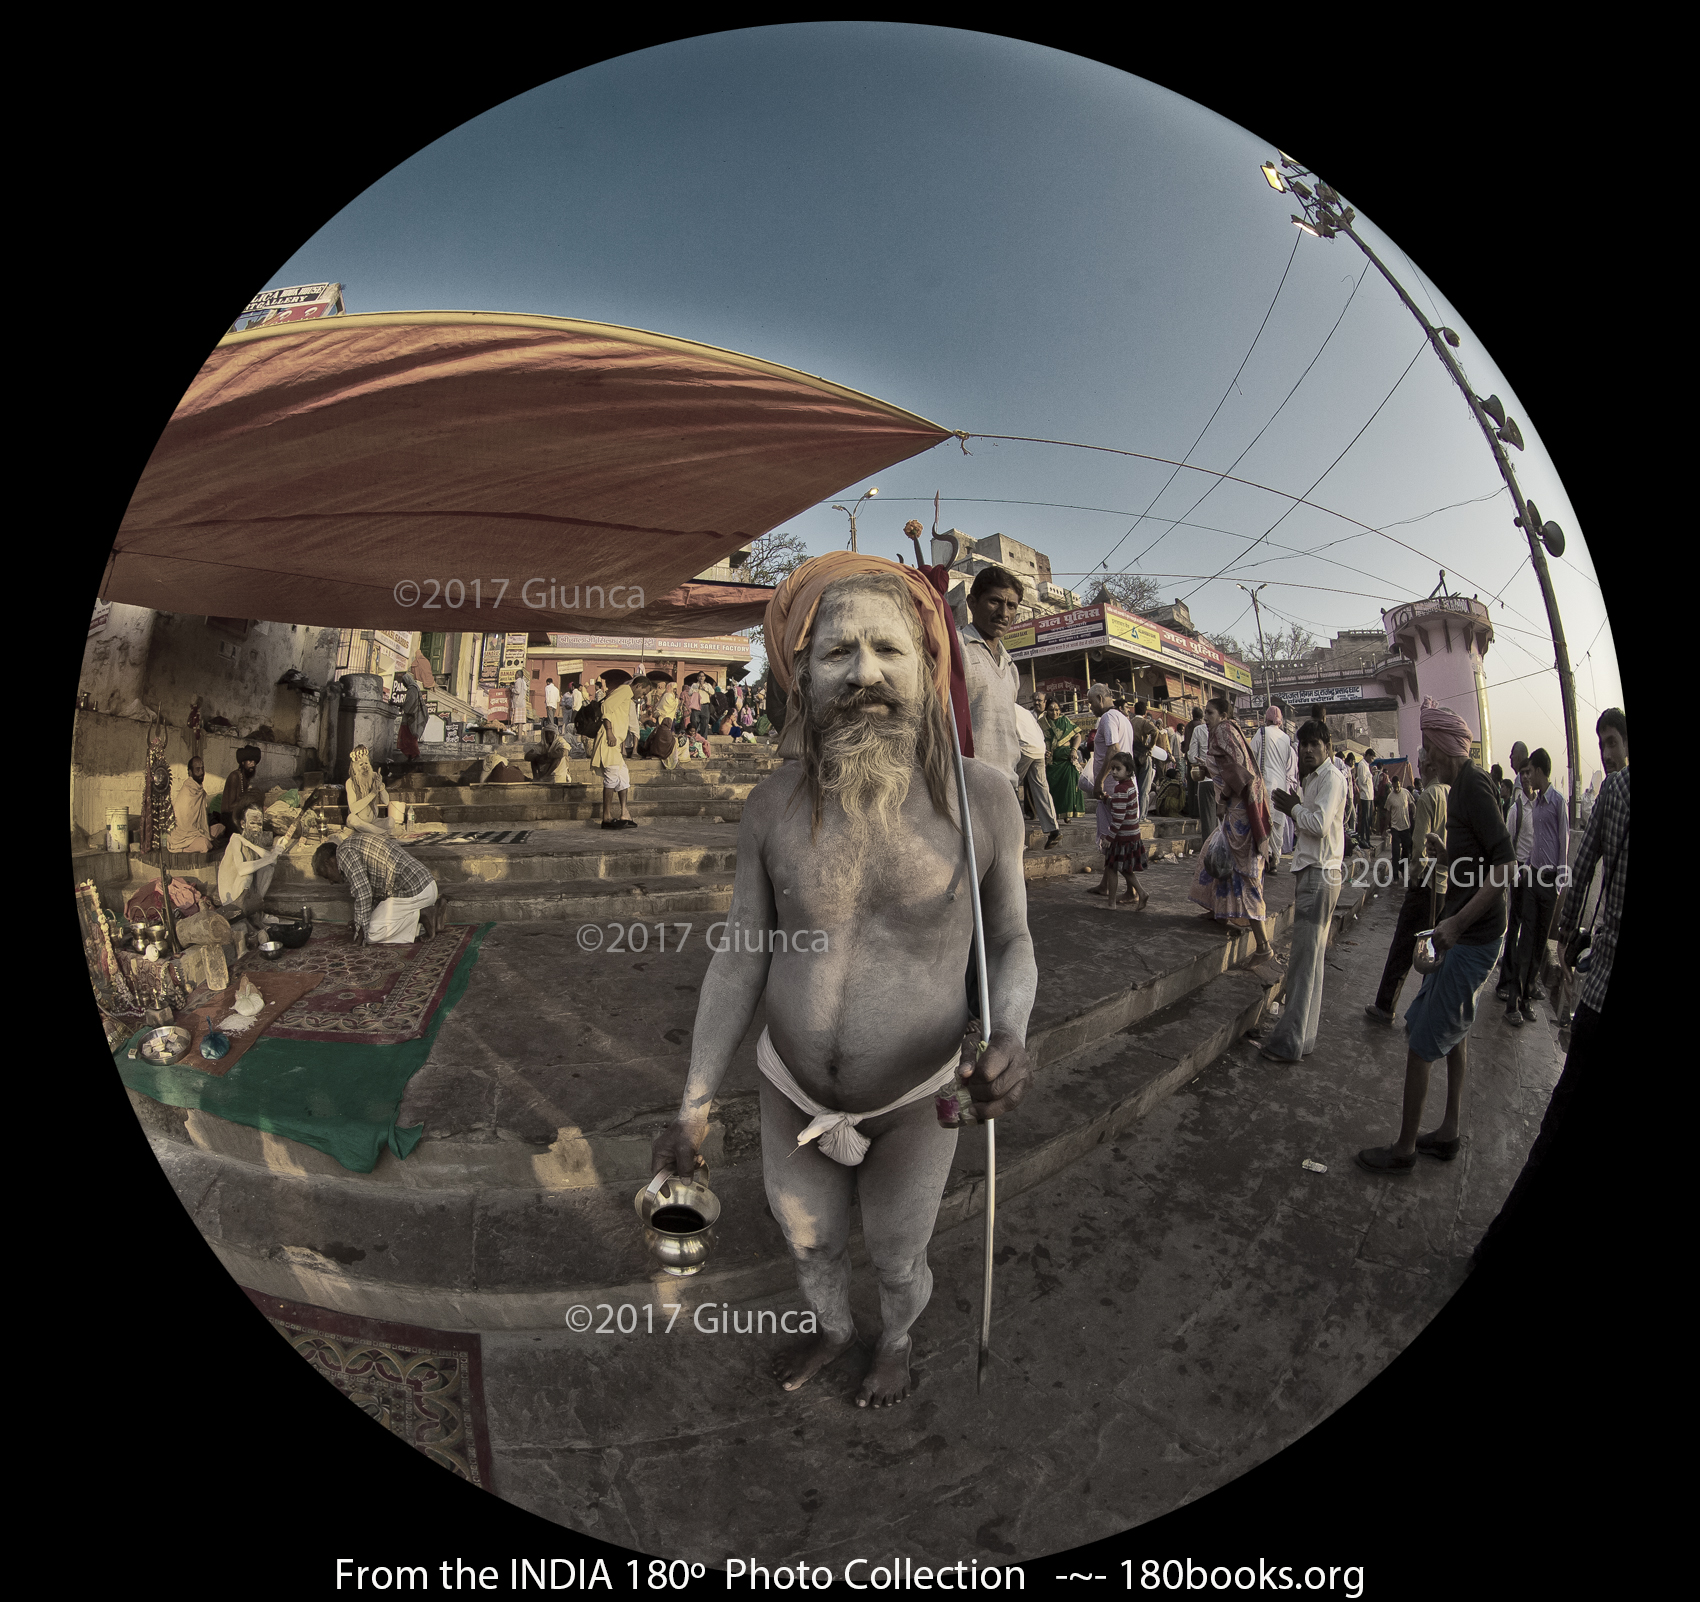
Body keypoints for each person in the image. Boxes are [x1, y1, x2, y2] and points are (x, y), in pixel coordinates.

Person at [649, 554, 1036, 1409]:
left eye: (888, 651)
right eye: (838, 654)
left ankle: (894, 1337)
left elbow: (1009, 939)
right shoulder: (771, 807)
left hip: (921, 1092)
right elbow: (741, 953)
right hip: (790, 1088)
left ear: (928, 670)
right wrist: (694, 1103)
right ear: (803, 678)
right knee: (808, 1243)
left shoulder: (983, 802)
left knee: (898, 1255)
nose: (865, 674)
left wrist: (1008, 1033)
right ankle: (833, 1329)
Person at [1474, 709, 1627, 1267]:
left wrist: (1565, 923)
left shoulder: (1574, 801)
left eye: (1611, 744)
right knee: (1522, 943)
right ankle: (1515, 992)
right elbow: (1534, 849)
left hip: (1551, 895)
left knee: (1534, 945)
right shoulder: (1520, 801)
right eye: (1602, 745)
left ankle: (1522, 991)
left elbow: (1572, 858)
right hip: (1526, 883)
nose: (1607, 756)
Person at [1356, 698, 1513, 1175]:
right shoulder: (1461, 788)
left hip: (1472, 937)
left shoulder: (1474, 786)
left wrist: (1455, 925)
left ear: (1444, 748)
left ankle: (1404, 1147)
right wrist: (1448, 856)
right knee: (1457, 1031)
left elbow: (1505, 867)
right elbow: (1480, 862)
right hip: (1465, 934)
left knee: (1422, 1035)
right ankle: (1448, 1131)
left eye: (1429, 750)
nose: (1424, 760)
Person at [1261, 719, 1348, 1061]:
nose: (1308, 750)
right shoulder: (1314, 779)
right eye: (1304, 745)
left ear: (1327, 745)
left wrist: (1292, 808)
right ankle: (1302, 1039)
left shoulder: (1331, 779)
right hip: (1314, 874)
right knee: (1311, 961)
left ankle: (1288, 1043)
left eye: (1314, 744)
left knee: (1302, 963)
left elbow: (1319, 825)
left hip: (1320, 876)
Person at [1363, 750, 1450, 1025]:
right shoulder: (1451, 793)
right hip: (1446, 883)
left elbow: (1420, 844)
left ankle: (1385, 1006)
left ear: (1428, 766)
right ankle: (1426, 1011)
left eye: (1422, 764)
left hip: (1426, 884)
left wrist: (1414, 877)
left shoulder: (1429, 796)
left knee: (1403, 946)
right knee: (1434, 951)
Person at [1186, 697, 1274, 958]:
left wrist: (1223, 798)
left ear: (1224, 715)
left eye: (1210, 713)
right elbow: (1231, 768)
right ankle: (1218, 912)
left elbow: (1240, 772)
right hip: (1238, 811)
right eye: (1205, 714)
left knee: (1244, 872)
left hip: (1238, 813)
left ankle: (1263, 946)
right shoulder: (1226, 732)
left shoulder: (1223, 731)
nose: (1206, 718)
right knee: (1211, 856)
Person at [1504, 748, 1567, 1029]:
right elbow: (1534, 841)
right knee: (1526, 941)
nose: (1529, 776)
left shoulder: (1557, 803)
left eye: (1532, 771)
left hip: (1550, 882)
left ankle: (1528, 996)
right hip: (1532, 879)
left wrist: (1560, 884)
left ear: (1541, 772)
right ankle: (1512, 1002)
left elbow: (1563, 844)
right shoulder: (1534, 804)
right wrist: (1526, 865)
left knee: (1540, 943)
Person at [311, 832, 442, 943]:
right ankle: (435, 916)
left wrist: (361, 931)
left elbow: (364, 893)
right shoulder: (351, 845)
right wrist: (360, 921)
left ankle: (423, 916)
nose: (330, 882)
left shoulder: (344, 853)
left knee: (371, 933)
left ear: (328, 862)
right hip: (426, 887)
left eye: (326, 876)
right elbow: (375, 896)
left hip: (415, 891)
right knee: (370, 922)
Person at [1081, 684, 1134, 891]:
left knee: (1114, 838)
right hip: (1121, 785)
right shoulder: (1123, 718)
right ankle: (1106, 884)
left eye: (1091, 702)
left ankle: (1133, 889)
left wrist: (1100, 781)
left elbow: (1113, 749)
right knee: (1112, 837)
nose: (1090, 707)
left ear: (1101, 698)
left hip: (1112, 788)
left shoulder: (1108, 718)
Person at [1495, 749, 1537, 1004]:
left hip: (1535, 871)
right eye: (1523, 774)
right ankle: (1506, 981)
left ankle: (1521, 985)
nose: (1525, 778)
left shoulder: (1536, 806)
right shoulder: (1516, 809)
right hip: (1519, 870)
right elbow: (1508, 844)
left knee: (1525, 928)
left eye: (1527, 773)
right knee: (1514, 927)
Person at [216, 797, 278, 935]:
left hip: (247, 898)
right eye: (253, 823)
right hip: (233, 903)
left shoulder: (248, 841)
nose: (256, 828)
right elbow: (242, 869)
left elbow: (272, 861)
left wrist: (251, 845)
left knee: (269, 867)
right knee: (248, 874)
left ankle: (255, 913)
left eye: (259, 824)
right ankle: (248, 917)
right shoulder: (235, 840)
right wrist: (269, 857)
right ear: (243, 823)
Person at [1097, 751, 1149, 911]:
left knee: (1112, 868)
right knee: (1125, 869)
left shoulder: (1120, 789)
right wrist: (1107, 799)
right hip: (1132, 835)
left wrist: (1109, 838)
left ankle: (1111, 903)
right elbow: (1123, 806)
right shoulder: (1130, 786)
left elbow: (1118, 817)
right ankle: (1141, 892)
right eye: (1112, 769)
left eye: (1117, 769)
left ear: (1128, 770)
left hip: (1122, 837)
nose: (1113, 772)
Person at [590, 676, 638, 829]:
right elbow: (606, 708)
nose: (642, 696)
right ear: (638, 686)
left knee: (623, 776)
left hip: (616, 743)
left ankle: (624, 812)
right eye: (643, 692)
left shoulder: (627, 696)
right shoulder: (625, 690)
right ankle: (606, 818)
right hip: (609, 741)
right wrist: (610, 732)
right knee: (611, 778)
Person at [1250, 707, 1297, 859]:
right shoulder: (1286, 738)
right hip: (1281, 785)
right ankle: (1276, 857)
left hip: (1266, 783)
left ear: (1267, 719)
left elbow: (1251, 755)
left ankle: (1267, 854)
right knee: (1278, 824)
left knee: (1264, 821)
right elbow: (1289, 762)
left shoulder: (1262, 733)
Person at [168, 756, 226, 854]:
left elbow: (201, 822)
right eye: (197, 769)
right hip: (183, 838)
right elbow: (187, 827)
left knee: (221, 827)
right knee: (205, 844)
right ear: (190, 772)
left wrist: (206, 834)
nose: (201, 772)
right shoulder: (187, 792)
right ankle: (183, 850)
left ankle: (207, 841)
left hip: (198, 832)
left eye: (202, 768)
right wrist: (207, 837)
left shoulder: (199, 790)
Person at [1043, 699, 1084, 822]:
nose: (1054, 712)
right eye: (1051, 710)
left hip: (1066, 762)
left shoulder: (1065, 721)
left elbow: (1077, 735)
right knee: (1053, 791)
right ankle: (1054, 815)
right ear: (1047, 710)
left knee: (1068, 789)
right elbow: (1037, 740)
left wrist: (1074, 750)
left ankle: (1067, 814)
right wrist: (1044, 751)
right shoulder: (1041, 724)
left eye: (1056, 710)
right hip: (1051, 763)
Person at [342, 744, 391, 835]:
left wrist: (380, 787)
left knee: (390, 821)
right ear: (355, 768)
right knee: (351, 819)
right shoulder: (350, 782)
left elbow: (386, 801)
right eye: (361, 765)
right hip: (358, 821)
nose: (365, 767)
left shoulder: (374, 776)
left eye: (366, 763)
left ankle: (373, 831)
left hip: (373, 821)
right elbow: (353, 809)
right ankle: (381, 833)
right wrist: (372, 794)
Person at [1186, 706, 1216, 851]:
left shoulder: (1199, 730)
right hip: (1224, 781)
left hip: (1206, 781)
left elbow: (1191, 756)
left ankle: (1209, 857)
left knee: (1208, 824)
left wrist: (1201, 761)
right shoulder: (1227, 730)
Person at [222, 744, 262, 825]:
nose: (253, 765)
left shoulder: (246, 777)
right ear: (243, 762)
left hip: (238, 815)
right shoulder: (235, 776)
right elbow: (230, 807)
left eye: (254, 762)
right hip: (228, 818)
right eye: (250, 761)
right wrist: (249, 801)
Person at [1385, 768, 1414, 875]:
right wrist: (1385, 829)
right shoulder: (1390, 797)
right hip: (1395, 827)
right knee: (1396, 852)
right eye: (1395, 787)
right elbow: (1388, 813)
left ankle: (1403, 868)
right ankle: (1395, 875)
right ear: (1392, 785)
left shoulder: (1406, 793)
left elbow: (1412, 805)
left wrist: (1414, 813)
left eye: (1398, 786)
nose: (1397, 788)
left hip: (1406, 826)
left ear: (1400, 784)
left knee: (1406, 851)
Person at [1353, 747, 1376, 849]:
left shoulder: (1367, 766)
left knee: (1369, 819)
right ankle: (1363, 840)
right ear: (1367, 756)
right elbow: (1362, 781)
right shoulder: (1362, 765)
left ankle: (1367, 839)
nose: (1372, 760)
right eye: (1371, 758)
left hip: (1370, 796)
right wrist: (1370, 776)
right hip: (1365, 796)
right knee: (1365, 819)